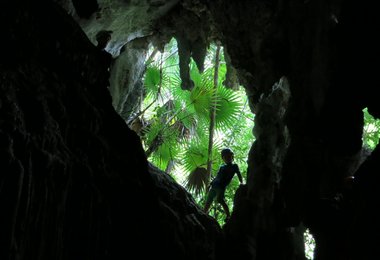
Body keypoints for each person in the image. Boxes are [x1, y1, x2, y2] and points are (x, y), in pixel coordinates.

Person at [204, 148, 243, 220]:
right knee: (209, 199)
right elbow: (217, 176)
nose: (227, 158)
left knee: (220, 199)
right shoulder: (222, 167)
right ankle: (204, 213)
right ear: (223, 158)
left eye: (229, 156)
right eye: (225, 157)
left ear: (232, 156)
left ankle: (228, 215)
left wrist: (241, 183)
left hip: (221, 186)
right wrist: (211, 184)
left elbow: (239, 174)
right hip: (214, 185)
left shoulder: (234, 166)